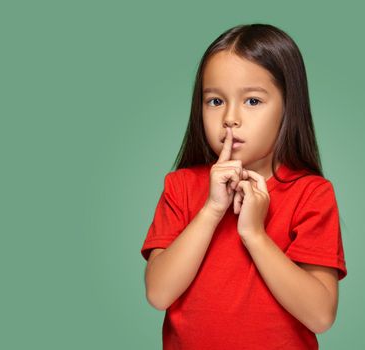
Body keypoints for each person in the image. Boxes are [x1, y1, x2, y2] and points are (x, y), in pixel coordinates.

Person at [140, 23, 347, 350]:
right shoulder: (180, 186)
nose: (230, 119)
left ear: (288, 107)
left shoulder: (312, 193)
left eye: (252, 101)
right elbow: (158, 293)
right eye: (215, 101)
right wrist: (212, 210)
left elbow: (320, 315)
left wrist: (255, 234)